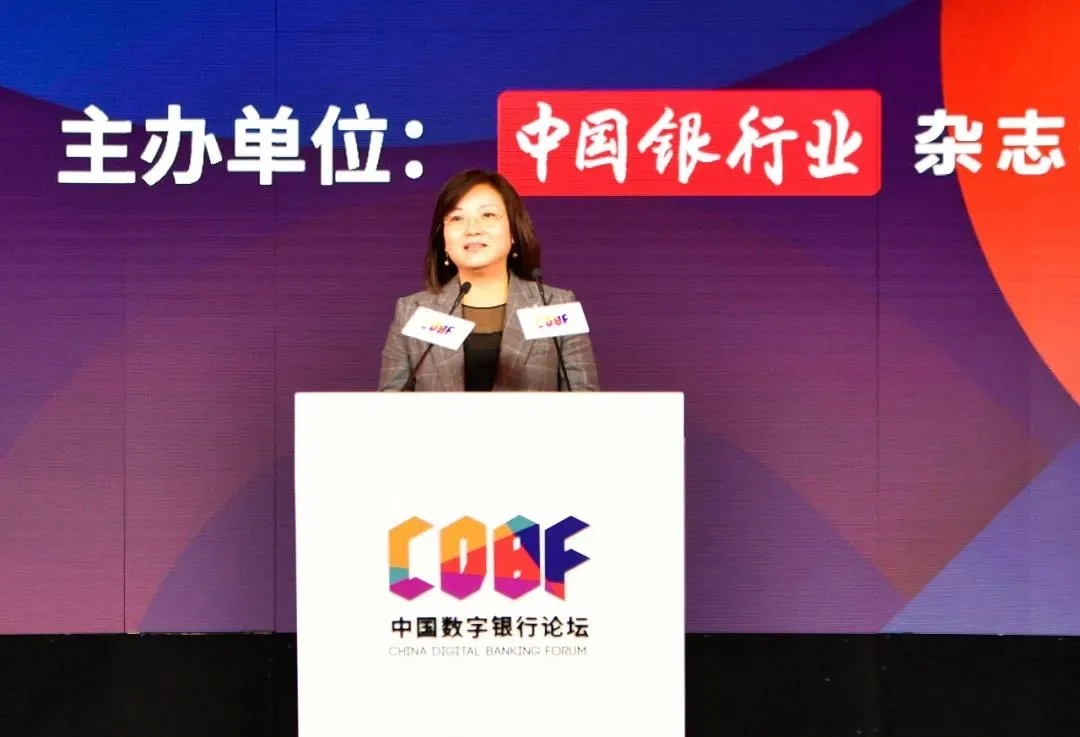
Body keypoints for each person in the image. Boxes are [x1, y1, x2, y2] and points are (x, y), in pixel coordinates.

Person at [378, 169, 599, 392]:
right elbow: (388, 405)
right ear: (443, 239)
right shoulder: (412, 312)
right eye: (457, 218)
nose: (472, 229)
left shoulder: (556, 306)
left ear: (513, 231)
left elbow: (586, 401)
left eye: (488, 215)